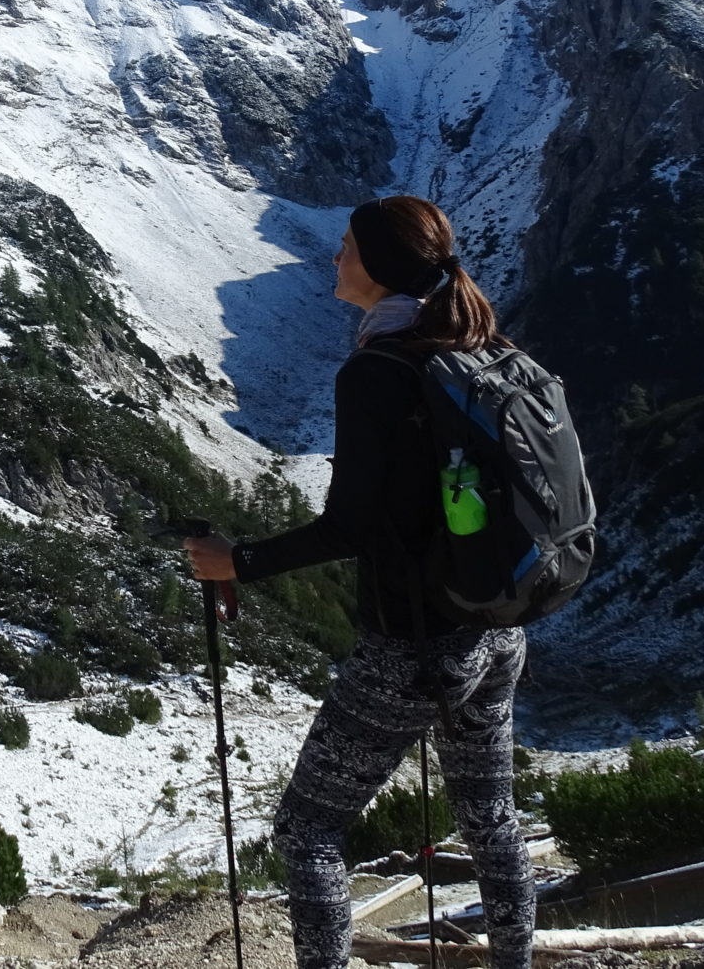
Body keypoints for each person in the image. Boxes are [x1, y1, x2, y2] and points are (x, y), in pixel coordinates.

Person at [185, 195, 535, 969]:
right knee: (491, 819)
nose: (335, 259)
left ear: (377, 267)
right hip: (496, 628)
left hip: (409, 646)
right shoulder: (473, 343)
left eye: (346, 249)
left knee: (309, 831)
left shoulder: (378, 370)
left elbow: (350, 526)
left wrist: (234, 563)